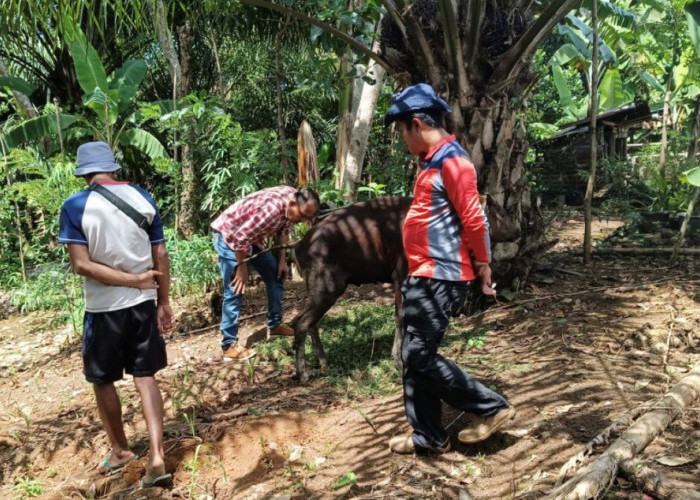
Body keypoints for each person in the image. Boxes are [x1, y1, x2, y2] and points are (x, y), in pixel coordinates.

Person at [384, 84, 516, 454]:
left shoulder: (453, 161)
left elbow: (474, 217)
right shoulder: (434, 161)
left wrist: (484, 263)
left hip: (440, 276)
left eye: (402, 132)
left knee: (418, 356)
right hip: (424, 274)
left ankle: (492, 407)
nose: (403, 140)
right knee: (414, 358)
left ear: (415, 124)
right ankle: (428, 436)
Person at [58, 141, 173, 487]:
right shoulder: (142, 197)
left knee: (103, 379)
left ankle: (121, 450)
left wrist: (132, 280)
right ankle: (156, 455)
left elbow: (81, 265)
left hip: (103, 309)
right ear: (113, 167)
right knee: (145, 375)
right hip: (141, 306)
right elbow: (161, 253)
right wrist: (162, 300)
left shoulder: (75, 206)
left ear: (83, 171)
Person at [211, 186, 320, 362]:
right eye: (303, 216)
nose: (303, 221)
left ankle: (275, 326)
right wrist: (242, 268)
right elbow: (240, 237)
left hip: (250, 239)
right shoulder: (270, 210)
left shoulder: (292, 199)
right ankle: (229, 346)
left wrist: (282, 262)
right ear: (292, 203)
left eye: (308, 217)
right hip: (229, 236)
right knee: (235, 288)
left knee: (276, 275)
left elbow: (284, 229)